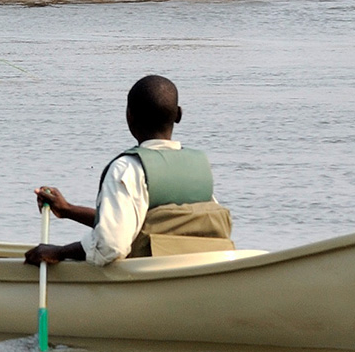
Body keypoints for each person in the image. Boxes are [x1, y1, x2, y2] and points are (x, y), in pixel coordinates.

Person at [26, 75, 223, 266]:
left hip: (150, 278)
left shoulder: (126, 169)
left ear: (129, 116)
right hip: (200, 269)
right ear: (179, 115)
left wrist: (59, 252)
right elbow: (134, 221)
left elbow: (111, 246)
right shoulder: (199, 167)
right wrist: (68, 210)